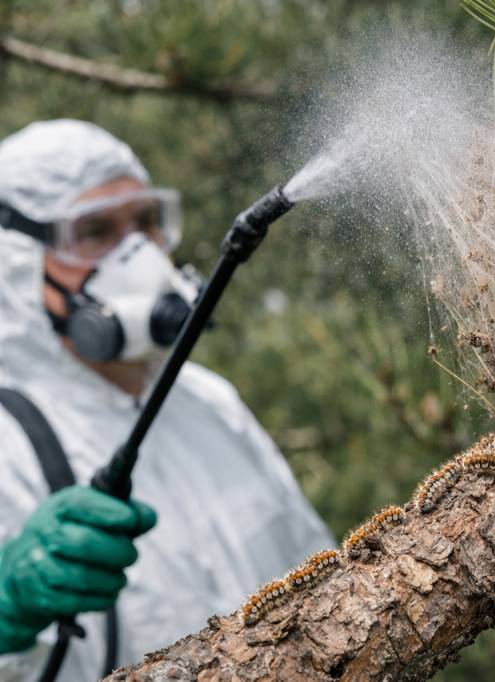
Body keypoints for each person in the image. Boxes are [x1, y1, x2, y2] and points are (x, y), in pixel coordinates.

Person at [0, 120, 335, 680]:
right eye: (95, 231)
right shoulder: (7, 444)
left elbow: (320, 574)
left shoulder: (209, 401)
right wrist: (6, 613)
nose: (138, 254)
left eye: (148, 223)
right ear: (15, 264)